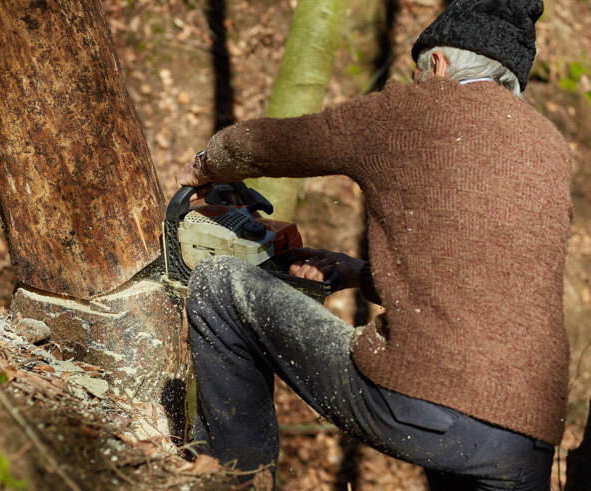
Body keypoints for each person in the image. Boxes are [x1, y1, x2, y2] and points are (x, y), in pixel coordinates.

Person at [177, 0, 573, 489]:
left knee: (219, 286)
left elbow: (281, 143)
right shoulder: (551, 148)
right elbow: (483, 280)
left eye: (418, 70)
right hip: (526, 435)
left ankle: (232, 480)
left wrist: (206, 164)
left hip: (427, 401)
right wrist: (353, 272)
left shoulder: (412, 110)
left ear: (439, 64)